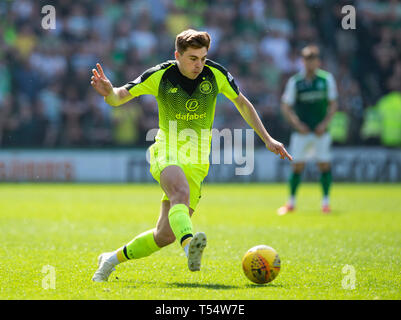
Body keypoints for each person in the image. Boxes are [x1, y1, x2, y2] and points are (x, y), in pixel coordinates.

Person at [90, 29, 292, 282]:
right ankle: (189, 247)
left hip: (198, 160)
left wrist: (267, 138)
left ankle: (110, 259)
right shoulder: (160, 75)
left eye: (203, 58)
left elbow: (242, 102)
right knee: (180, 194)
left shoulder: (216, 74)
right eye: (193, 58)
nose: (199, 64)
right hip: (168, 148)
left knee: (164, 235)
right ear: (178, 55)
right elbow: (118, 98)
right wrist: (109, 92)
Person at [278, 45, 338, 215]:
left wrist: (325, 124)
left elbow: (334, 104)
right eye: (306, 61)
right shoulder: (295, 82)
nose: (309, 64)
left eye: (313, 61)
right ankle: (291, 202)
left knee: (324, 165)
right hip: (301, 132)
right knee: (297, 166)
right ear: (302, 62)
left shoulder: (326, 80)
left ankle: (325, 202)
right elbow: (286, 106)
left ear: (318, 62)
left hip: (321, 131)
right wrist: (298, 125)